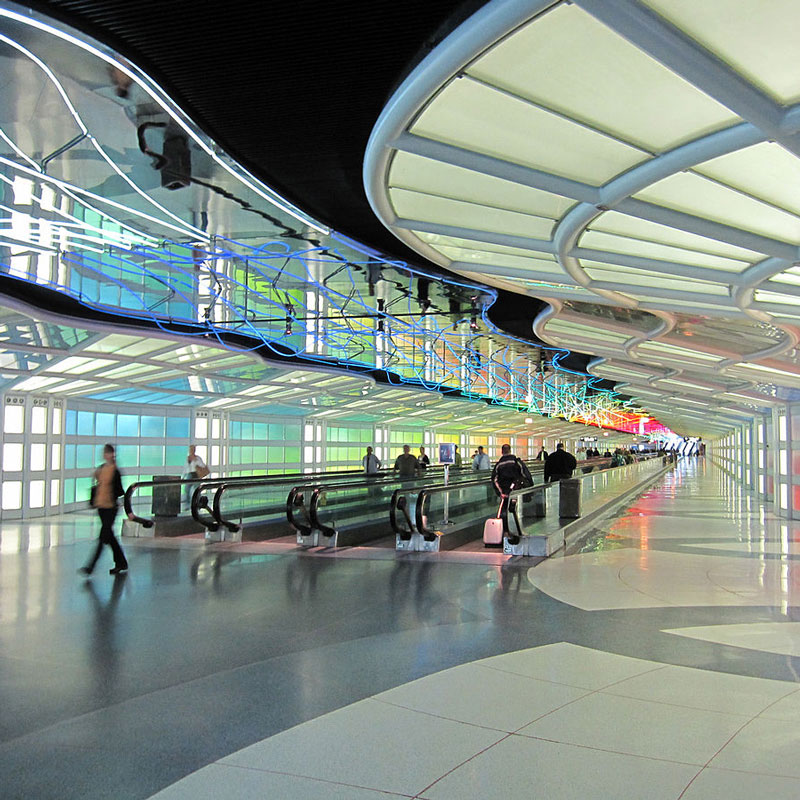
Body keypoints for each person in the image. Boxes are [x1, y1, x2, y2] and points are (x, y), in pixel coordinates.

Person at [80, 444, 128, 576]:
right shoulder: (101, 469)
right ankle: (121, 562)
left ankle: (90, 566)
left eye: (109, 453)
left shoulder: (115, 471)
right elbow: (97, 482)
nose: (108, 455)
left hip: (111, 508)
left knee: (103, 538)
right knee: (109, 537)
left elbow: (119, 490)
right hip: (102, 507)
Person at [491, 444, 534, 541]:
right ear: (510, 450)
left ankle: (506, 531)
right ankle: (517, 530)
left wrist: (500, 492)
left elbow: (494, 479)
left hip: (505, 492)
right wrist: (530, 488)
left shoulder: (499, 464)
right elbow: (525, 474)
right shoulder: (516, 461)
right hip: (516, 490)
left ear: (502, 452)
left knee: (504, 510)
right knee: (514, 509)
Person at [183, 444, 207, 509]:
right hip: (190, 474)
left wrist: (195, 460)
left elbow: (202, 466)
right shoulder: (188, 458)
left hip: (196, 474)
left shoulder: (198, 458)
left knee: (197, 489)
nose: (191, 451)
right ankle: (187, 504)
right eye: (190, 449)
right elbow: (186, 468)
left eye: (193, 449)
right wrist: (183, 476)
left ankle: (199, 503)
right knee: (187, 489)